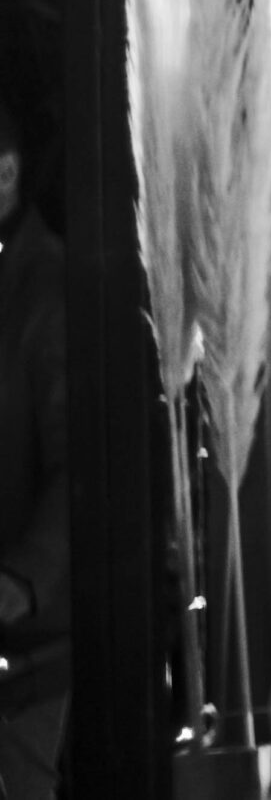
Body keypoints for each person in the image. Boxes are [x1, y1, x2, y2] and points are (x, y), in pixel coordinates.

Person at [0, 100, 68, 800]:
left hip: (32, 644)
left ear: (6, 174)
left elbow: (80, 466)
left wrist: (22, 580)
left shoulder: (46, 287)